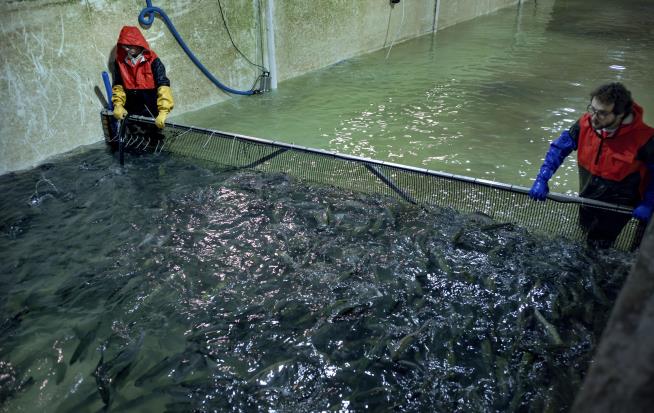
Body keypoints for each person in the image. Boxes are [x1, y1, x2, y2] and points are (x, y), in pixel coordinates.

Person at [529, 82, 654, 247]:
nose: (593, 117)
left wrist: (649, 202)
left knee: (597, 245)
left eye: (602, 113)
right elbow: (558, 149)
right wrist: (542, 178)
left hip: (618, 204)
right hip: (588, 195)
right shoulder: (584, 123)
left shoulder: (645, 139)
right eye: (592, 109)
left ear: (620, 114)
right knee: (583, 230)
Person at [111, 26, 174, 130]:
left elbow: (163, 85)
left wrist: (163, 111)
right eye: (124, 46)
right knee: (132, 135)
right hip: (130, 108)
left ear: (138, 43)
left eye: (129, 46)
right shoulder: (120, 62)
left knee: (154, 135)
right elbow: (118, 84)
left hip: (151, 107)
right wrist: (118, 105)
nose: (126, 49)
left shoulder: (153, 61)